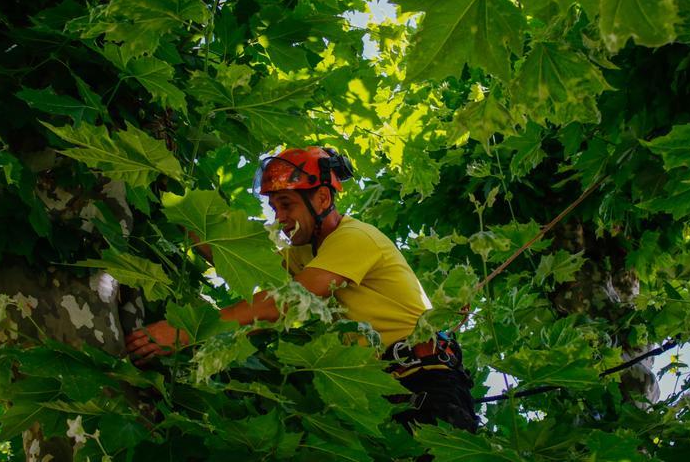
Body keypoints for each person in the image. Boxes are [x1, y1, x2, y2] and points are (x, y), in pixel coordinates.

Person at [125, 146, 478, 431]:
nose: (279, 217)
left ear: (323, 199)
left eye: (287, 204)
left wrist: (189, 330)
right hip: (378, 391)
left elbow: (291, 299)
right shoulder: (305, 253)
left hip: (427, 383)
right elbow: (245, 261)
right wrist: (176, 210)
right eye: (274, 206)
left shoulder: (355, 238)